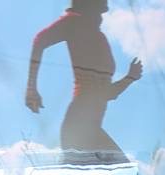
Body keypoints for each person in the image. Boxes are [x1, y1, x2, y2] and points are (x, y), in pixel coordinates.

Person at [25, 0, 143, 165]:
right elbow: (40, 40)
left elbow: (106, 93)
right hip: (80, 124)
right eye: (99, 10)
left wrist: (130, 77)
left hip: (90, 127)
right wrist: (31, 88)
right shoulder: (74, 22)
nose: (101, 16)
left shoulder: (99, 37)